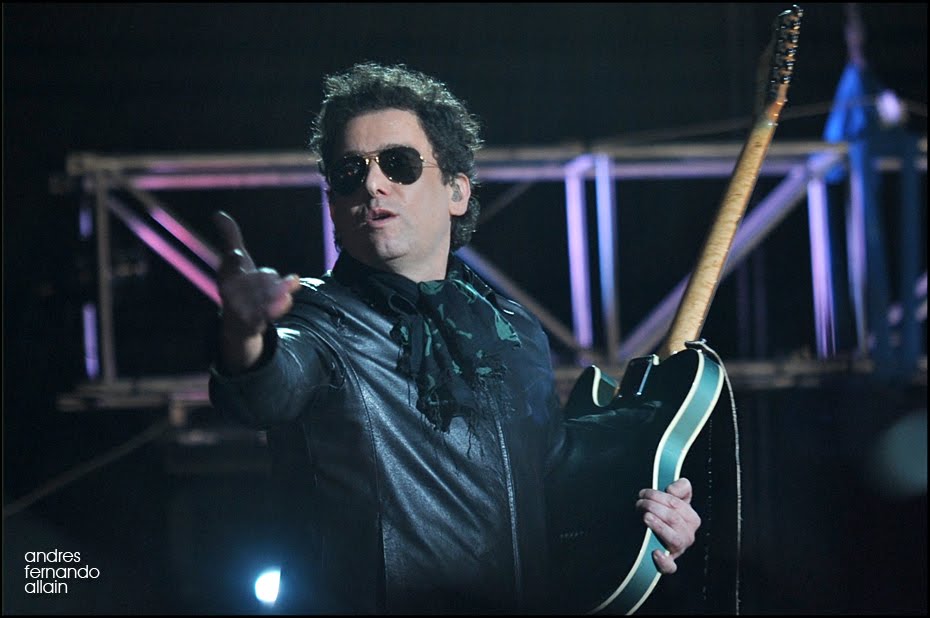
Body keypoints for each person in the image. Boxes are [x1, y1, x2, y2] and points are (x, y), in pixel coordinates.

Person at [208, 61, 700, 614]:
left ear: (457, 191)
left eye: (398, 163)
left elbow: (558, 503)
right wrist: (244, 330)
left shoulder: (514, 332)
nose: (373, 183)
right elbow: (264, 386)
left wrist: (653, 521)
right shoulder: (319, 319)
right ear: (334, 208)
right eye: (350, 172)